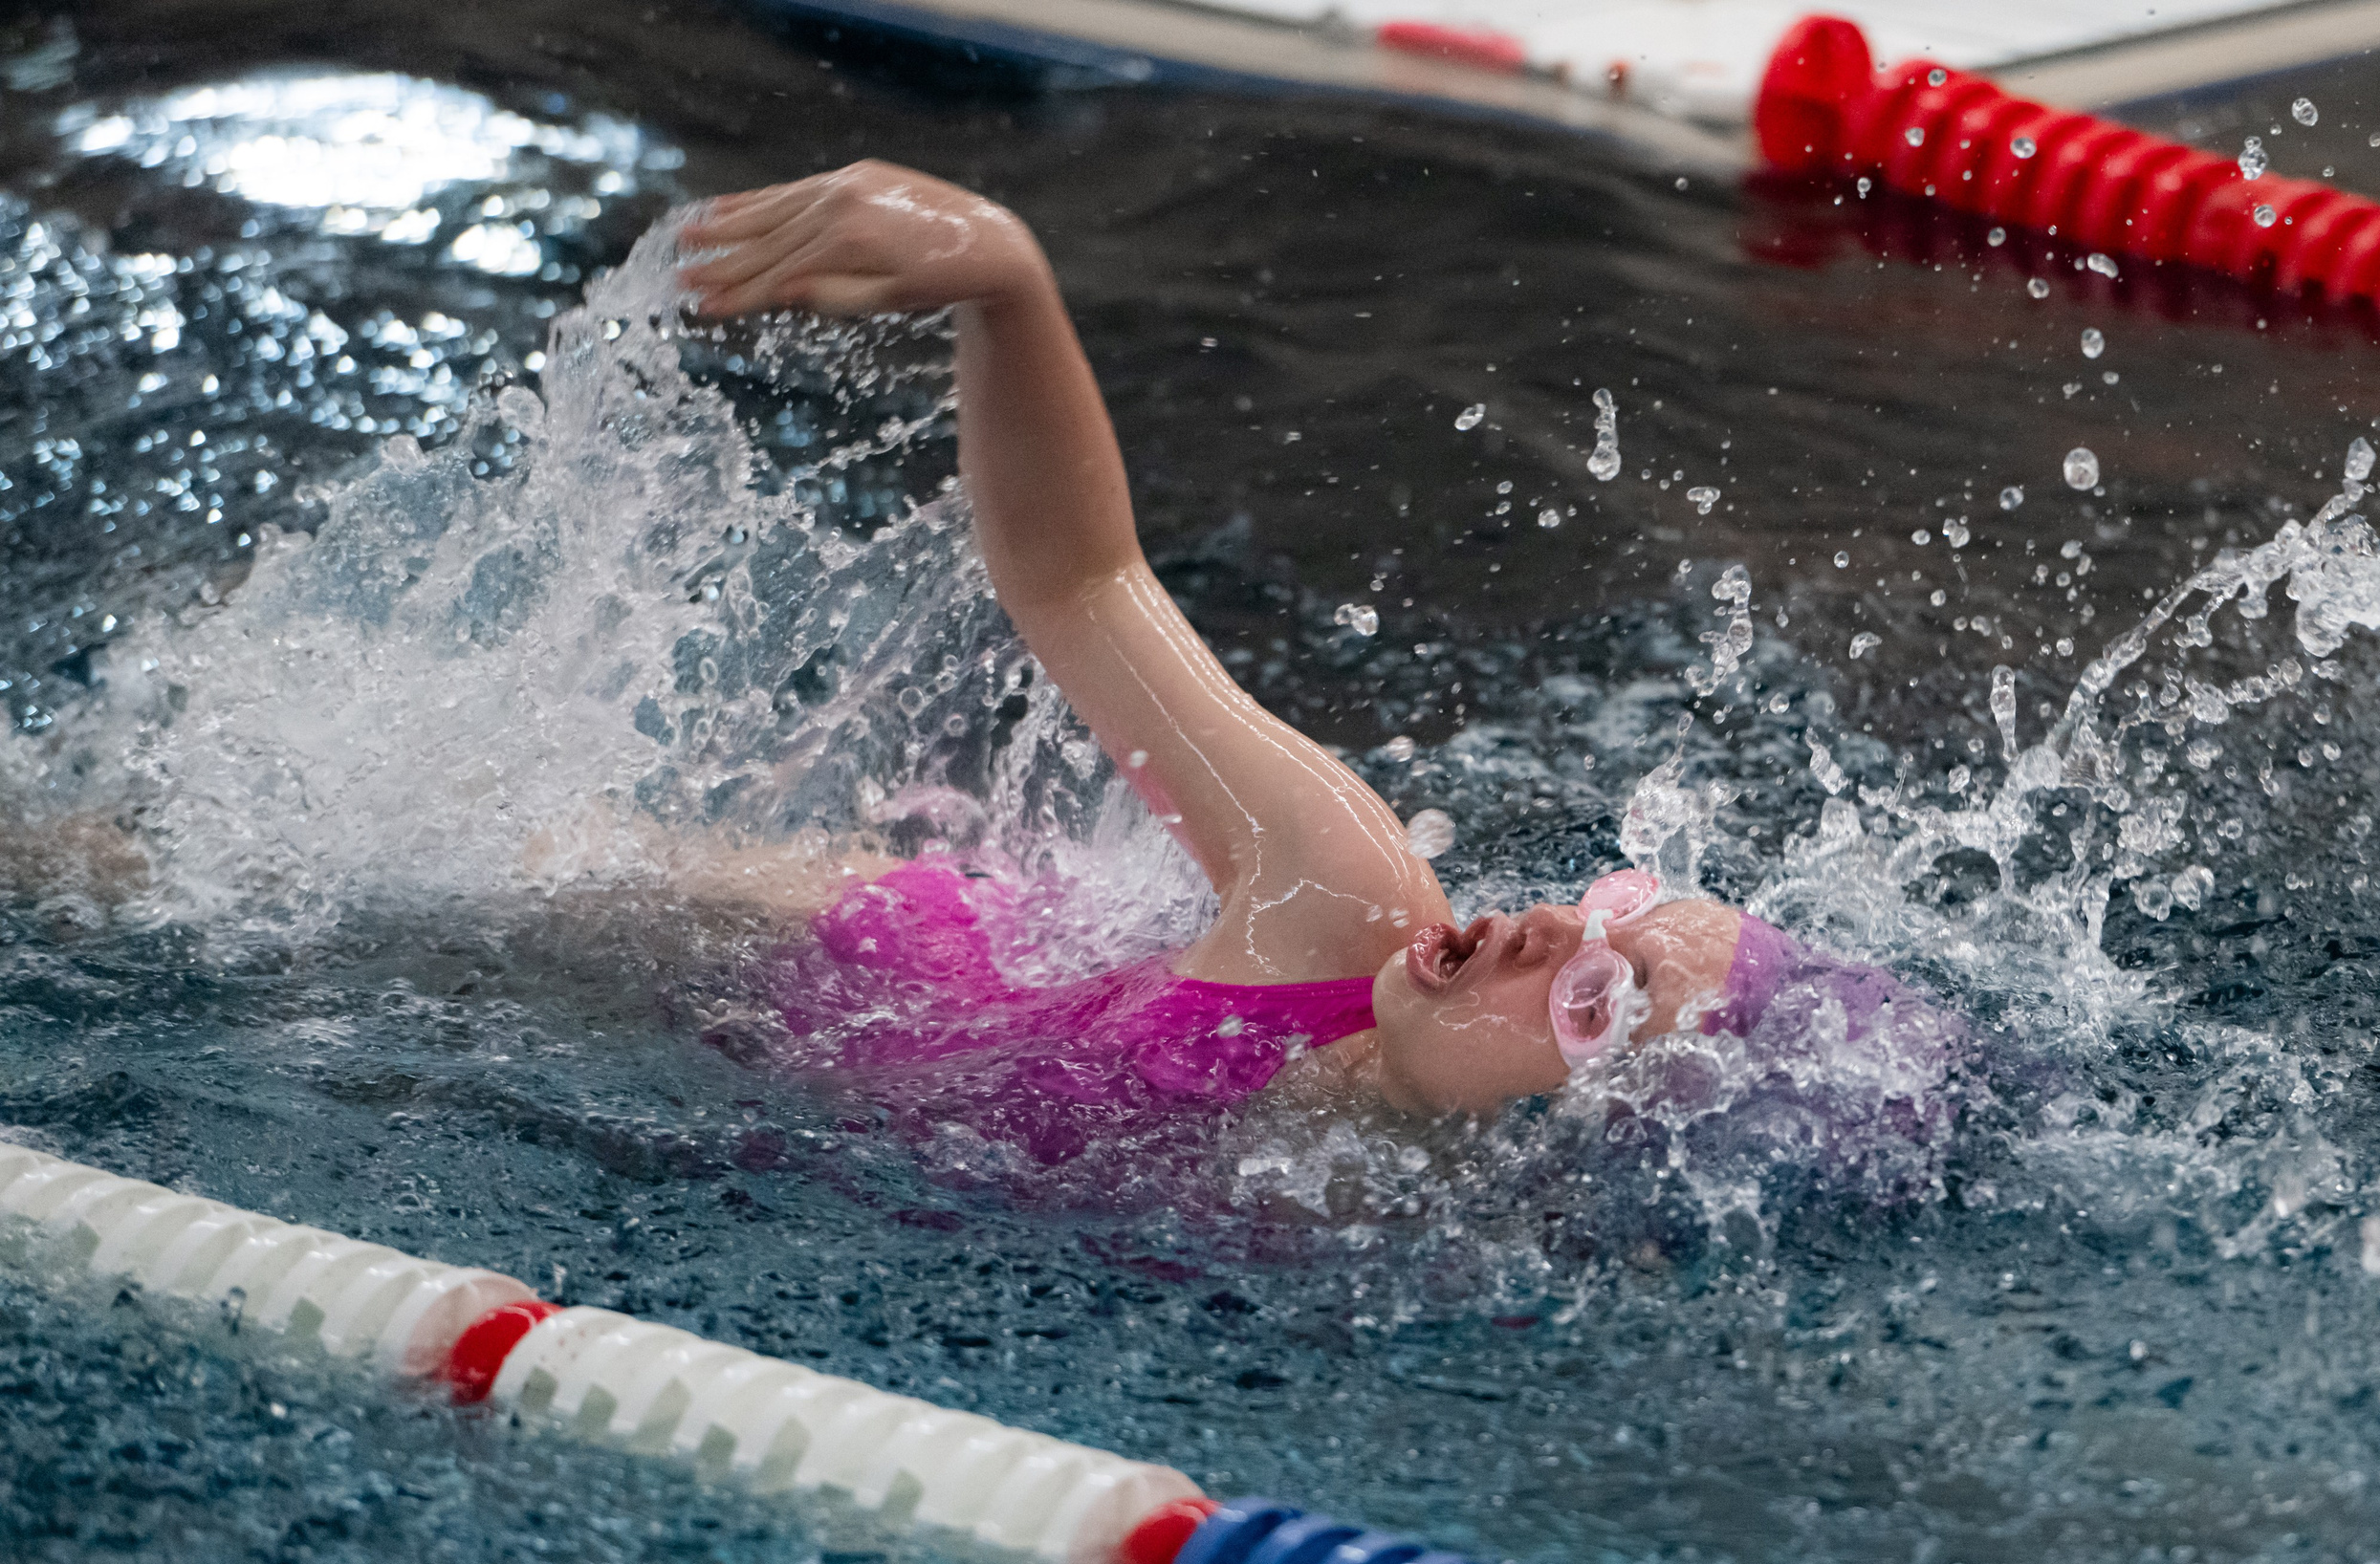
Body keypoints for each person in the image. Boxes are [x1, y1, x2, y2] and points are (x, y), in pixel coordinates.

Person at [674, 160, 1952, 1131]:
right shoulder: (1339, 907)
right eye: (1615, 912)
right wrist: (1006, 282)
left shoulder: (1422, 1252)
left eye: (1596, 998)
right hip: (777, 951)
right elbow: (1083, 583)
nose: (1549, 929)